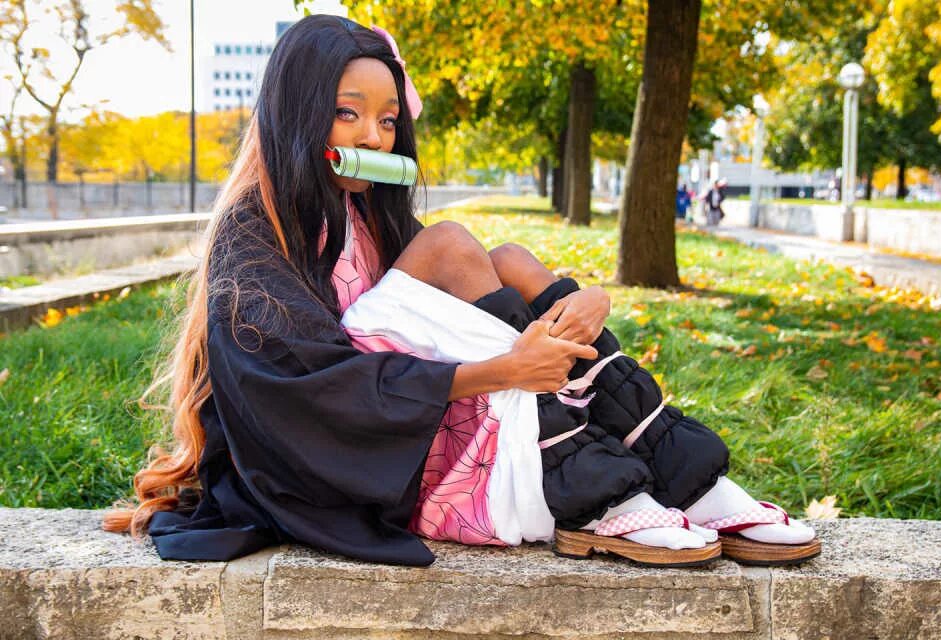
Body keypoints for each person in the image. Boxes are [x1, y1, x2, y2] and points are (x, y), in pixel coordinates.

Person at [103, 16, 818, 568]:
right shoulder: (253, 238)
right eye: (347, 113)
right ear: (297, 114)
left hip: (413, 420)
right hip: (347, 461)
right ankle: (592, 491)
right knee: (450, 245)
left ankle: (677, 469)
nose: (375, 139)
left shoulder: (362, 213)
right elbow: (314, 389)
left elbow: (475, 287)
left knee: (506, 256)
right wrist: (503, 371)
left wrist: (578, 297)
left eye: (388, 121)